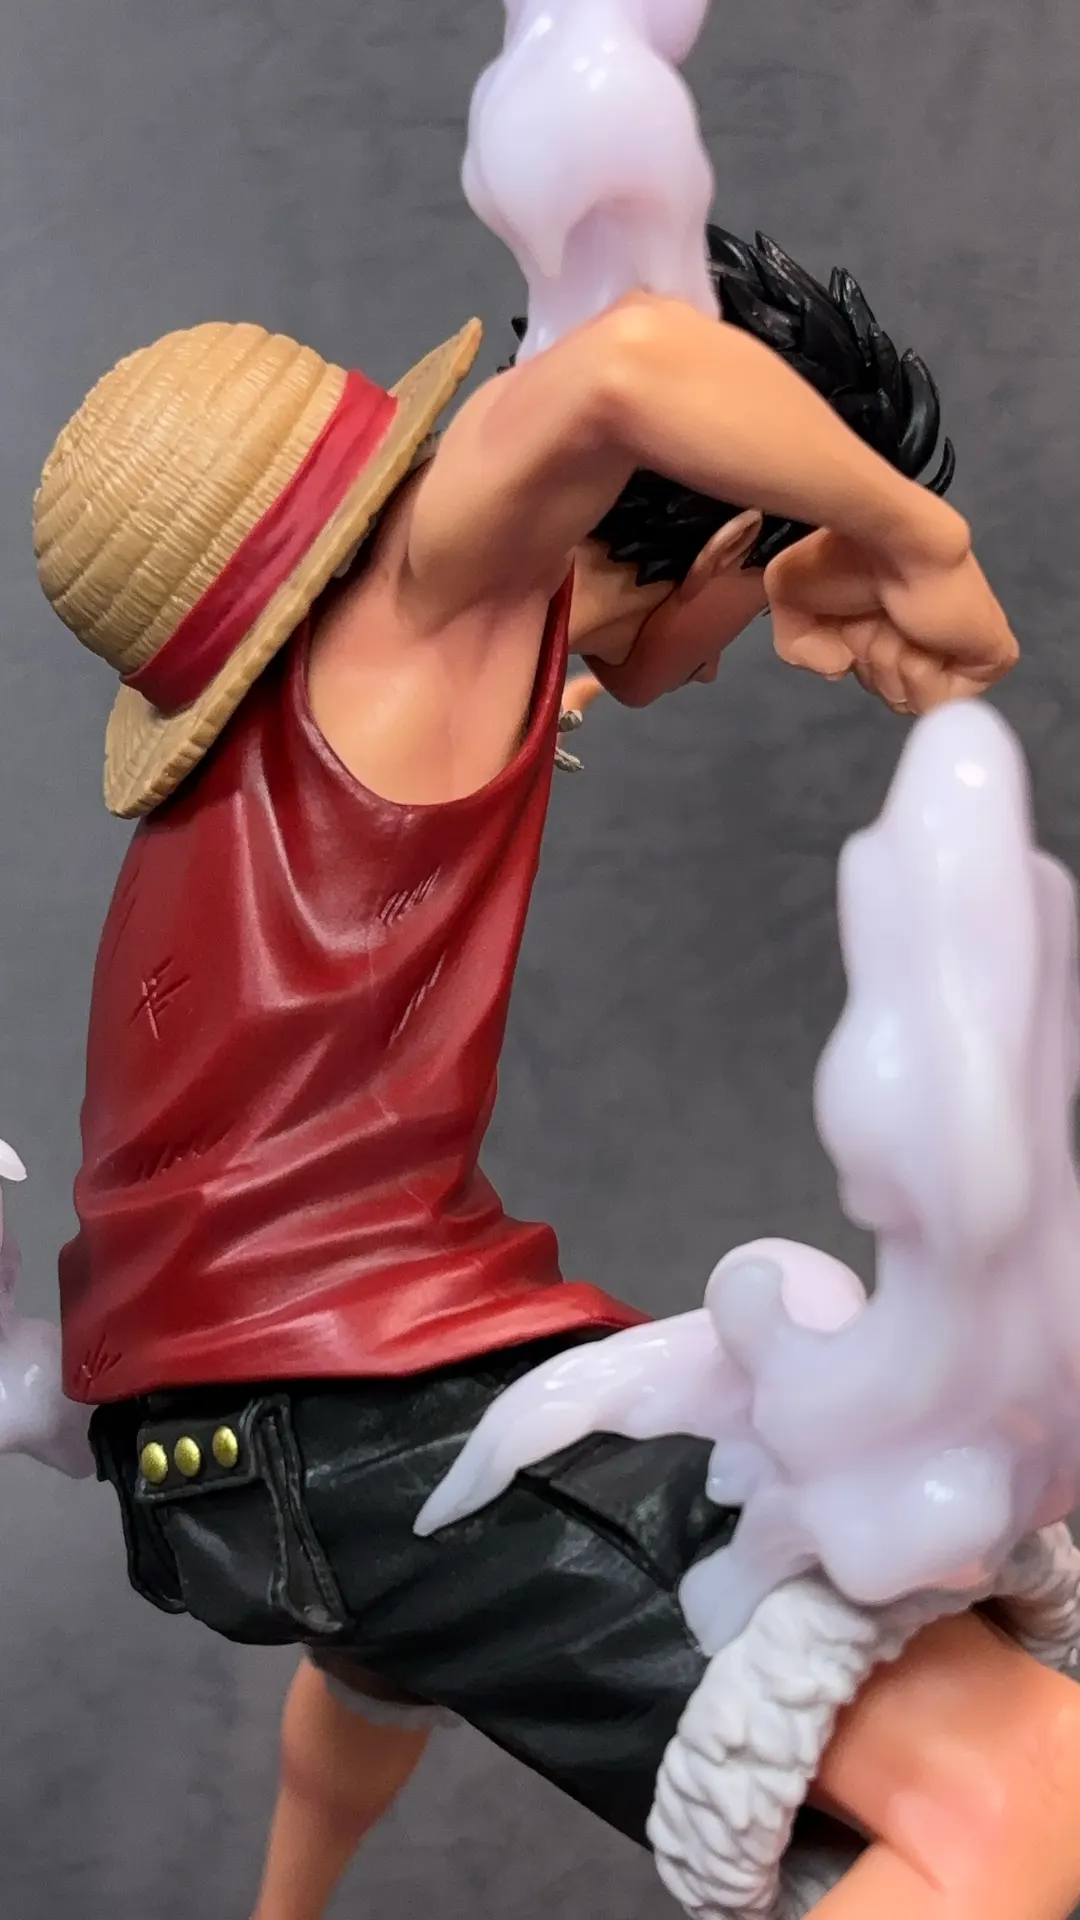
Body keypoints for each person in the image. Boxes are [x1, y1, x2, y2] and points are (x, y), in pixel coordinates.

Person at [35, 227, 1073, 1920]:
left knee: (434, 1632)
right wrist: (919, 541)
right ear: (731, 532)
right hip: (343, 1413)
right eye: (754, 577)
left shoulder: (303, 736)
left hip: (258, 1431)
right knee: (1031, 1799)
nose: (733, 654)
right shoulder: (431, 614)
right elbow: (621, 370)